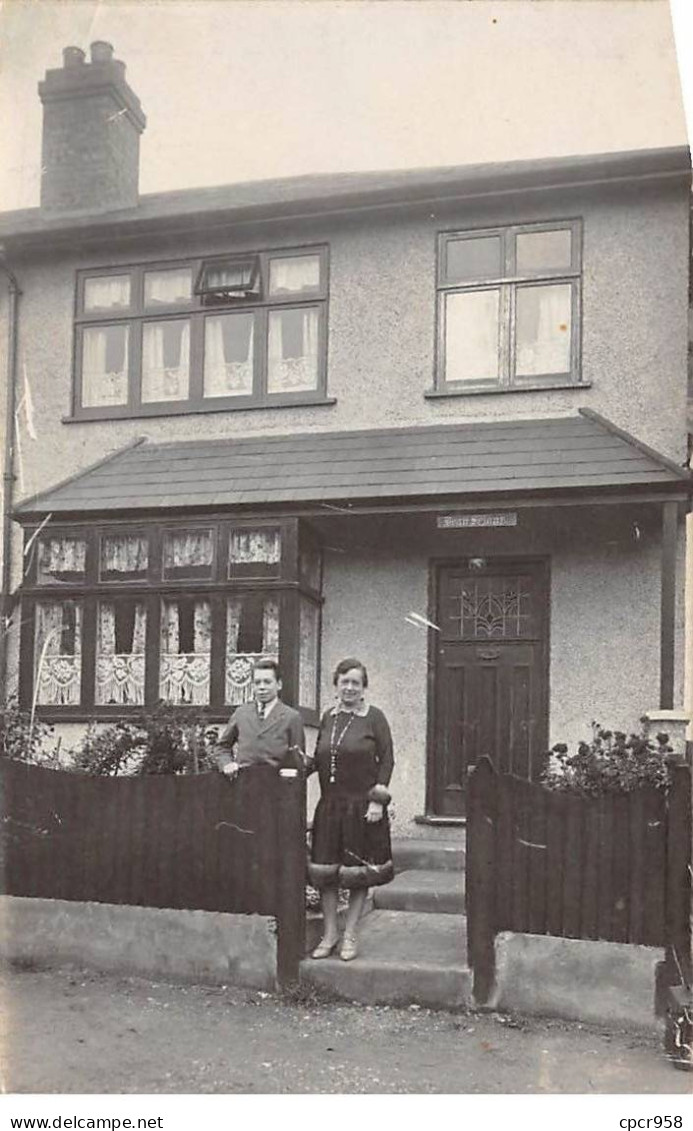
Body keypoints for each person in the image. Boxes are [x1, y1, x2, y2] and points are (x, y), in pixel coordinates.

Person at [308, 657, 394, 962]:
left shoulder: (374, 718)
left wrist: (377, 800)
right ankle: (330, 934)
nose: (349, 687)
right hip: (329, 805)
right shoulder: (328, 717)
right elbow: (320, 758)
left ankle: (350, 935)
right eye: (344, 681)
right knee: (325, 874)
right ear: (336, 685)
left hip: (361, 807)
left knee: (357, 875)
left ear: (364, 687)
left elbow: (387, 761)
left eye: (355, 682)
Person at [215, 658, 305, 777]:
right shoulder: (241, 713)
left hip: (276, 787)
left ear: (279, 684)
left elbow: (298, 757)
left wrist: (292, 772)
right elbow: (222, 747)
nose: (262, 687)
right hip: (244, 784)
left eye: (267, 682)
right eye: (257, 682)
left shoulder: (292, 717)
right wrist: (227, 764)